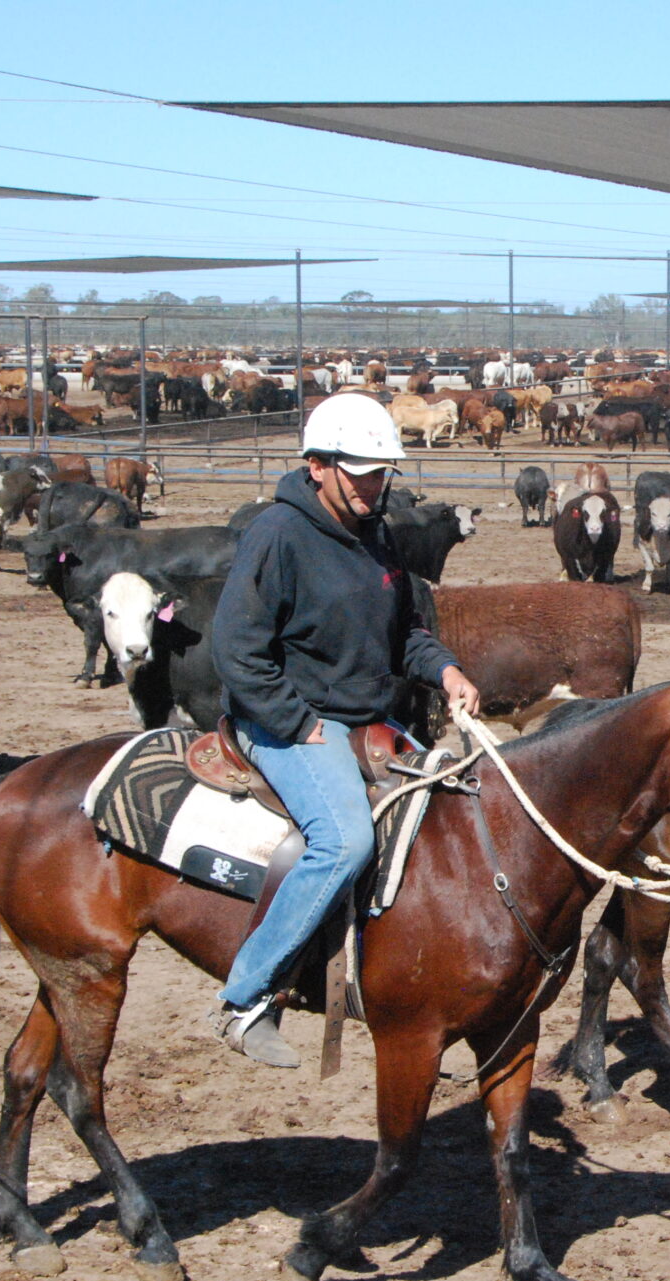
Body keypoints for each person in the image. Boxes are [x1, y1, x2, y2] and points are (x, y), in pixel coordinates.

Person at [209, 392, 482, 1066]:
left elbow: (403, 636)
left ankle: (417, 996)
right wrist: (295, 722)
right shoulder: (276, 533)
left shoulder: (376, 531)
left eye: (381, 471)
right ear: (317, 466)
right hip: (289, 720)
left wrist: (445, 670)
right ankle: (249, 995)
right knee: (344, 838)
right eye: (361, 471)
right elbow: (237, 647)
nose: (375, 484)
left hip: (365, 717)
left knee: (447, 809)